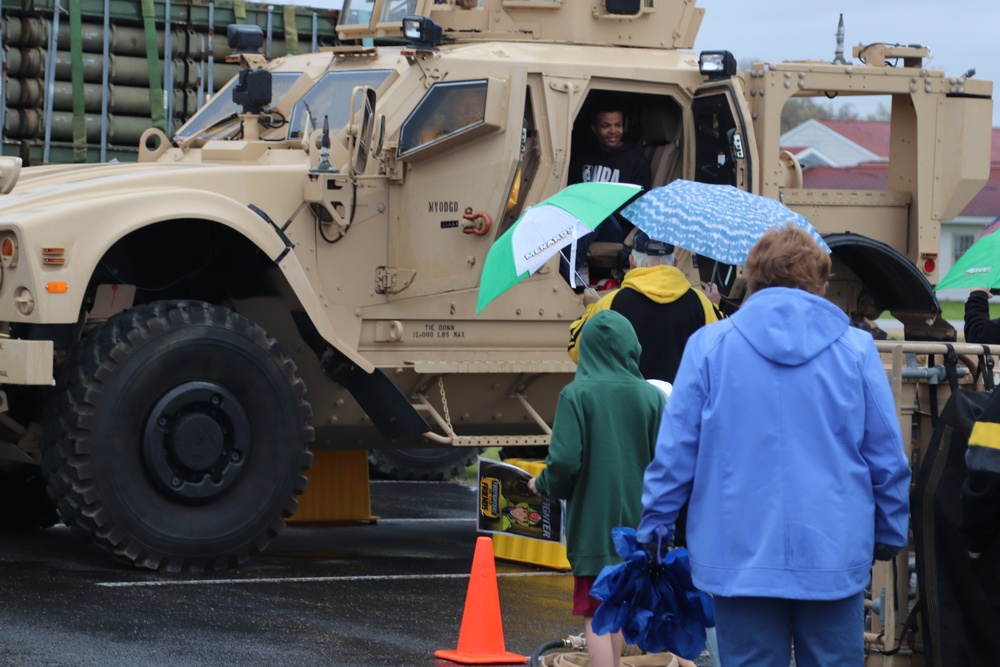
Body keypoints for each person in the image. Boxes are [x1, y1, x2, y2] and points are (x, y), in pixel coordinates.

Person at [638, 224, 912, 667]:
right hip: (833, 552)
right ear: (820, 280)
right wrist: (888, 531)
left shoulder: (709, 347)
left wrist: (655, 528)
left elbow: (674, 455)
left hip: (737, 556)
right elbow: (887, 458)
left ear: (755, 276)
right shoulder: (857, 350)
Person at [527, 310, 665, 667]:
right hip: (640, 530)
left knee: (598, 613)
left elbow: (564, 462)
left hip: (593, 528)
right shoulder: (652, 398)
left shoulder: (576, 395)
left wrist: (542, 483)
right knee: (620, 609)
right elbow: (667, 463)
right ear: (632, 347)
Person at [567, 231, 722, 383]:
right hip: (683, 399)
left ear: (631, 262)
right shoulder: (701, 304)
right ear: (674, 262)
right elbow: (721, 354)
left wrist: (592, 308)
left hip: (629, 399)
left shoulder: (609, 304)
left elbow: (580, 353)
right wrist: (713, 306)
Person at [562, 102, 653, 282]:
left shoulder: (636, 162)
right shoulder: (583, 156)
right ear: (594, 128)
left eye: (618, 125)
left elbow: (639, 209)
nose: (613, 131)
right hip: (581, 217)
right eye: (606, 126)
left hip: (617, 226)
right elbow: (571, 192)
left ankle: (565, 277)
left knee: (597, 213)